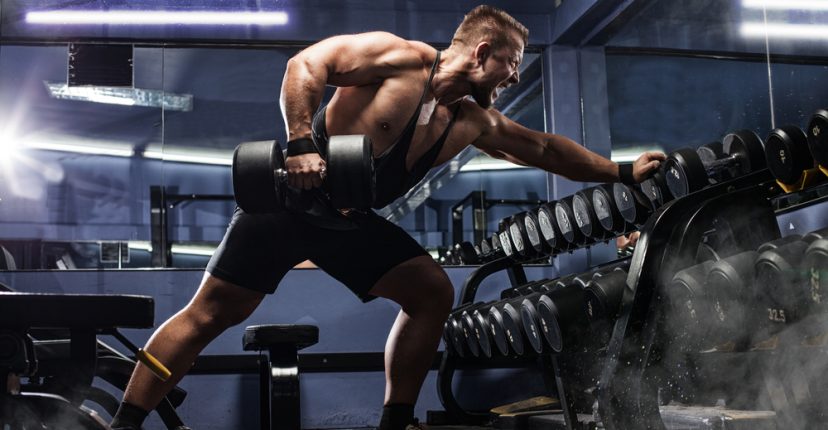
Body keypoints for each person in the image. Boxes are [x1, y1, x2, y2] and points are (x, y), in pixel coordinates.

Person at [110, 5, 664, 430]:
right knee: (208, 316)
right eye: (511, 64)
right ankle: (125, 423)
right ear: (483, 50)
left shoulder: (473, 120)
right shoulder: (398, 58)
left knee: (430, 291)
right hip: (290, 202)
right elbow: (307, 64)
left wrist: (620, 172)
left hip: (351, 219)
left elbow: (544, 149)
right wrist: (301, 142)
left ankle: (394, 422)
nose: (514, 77)